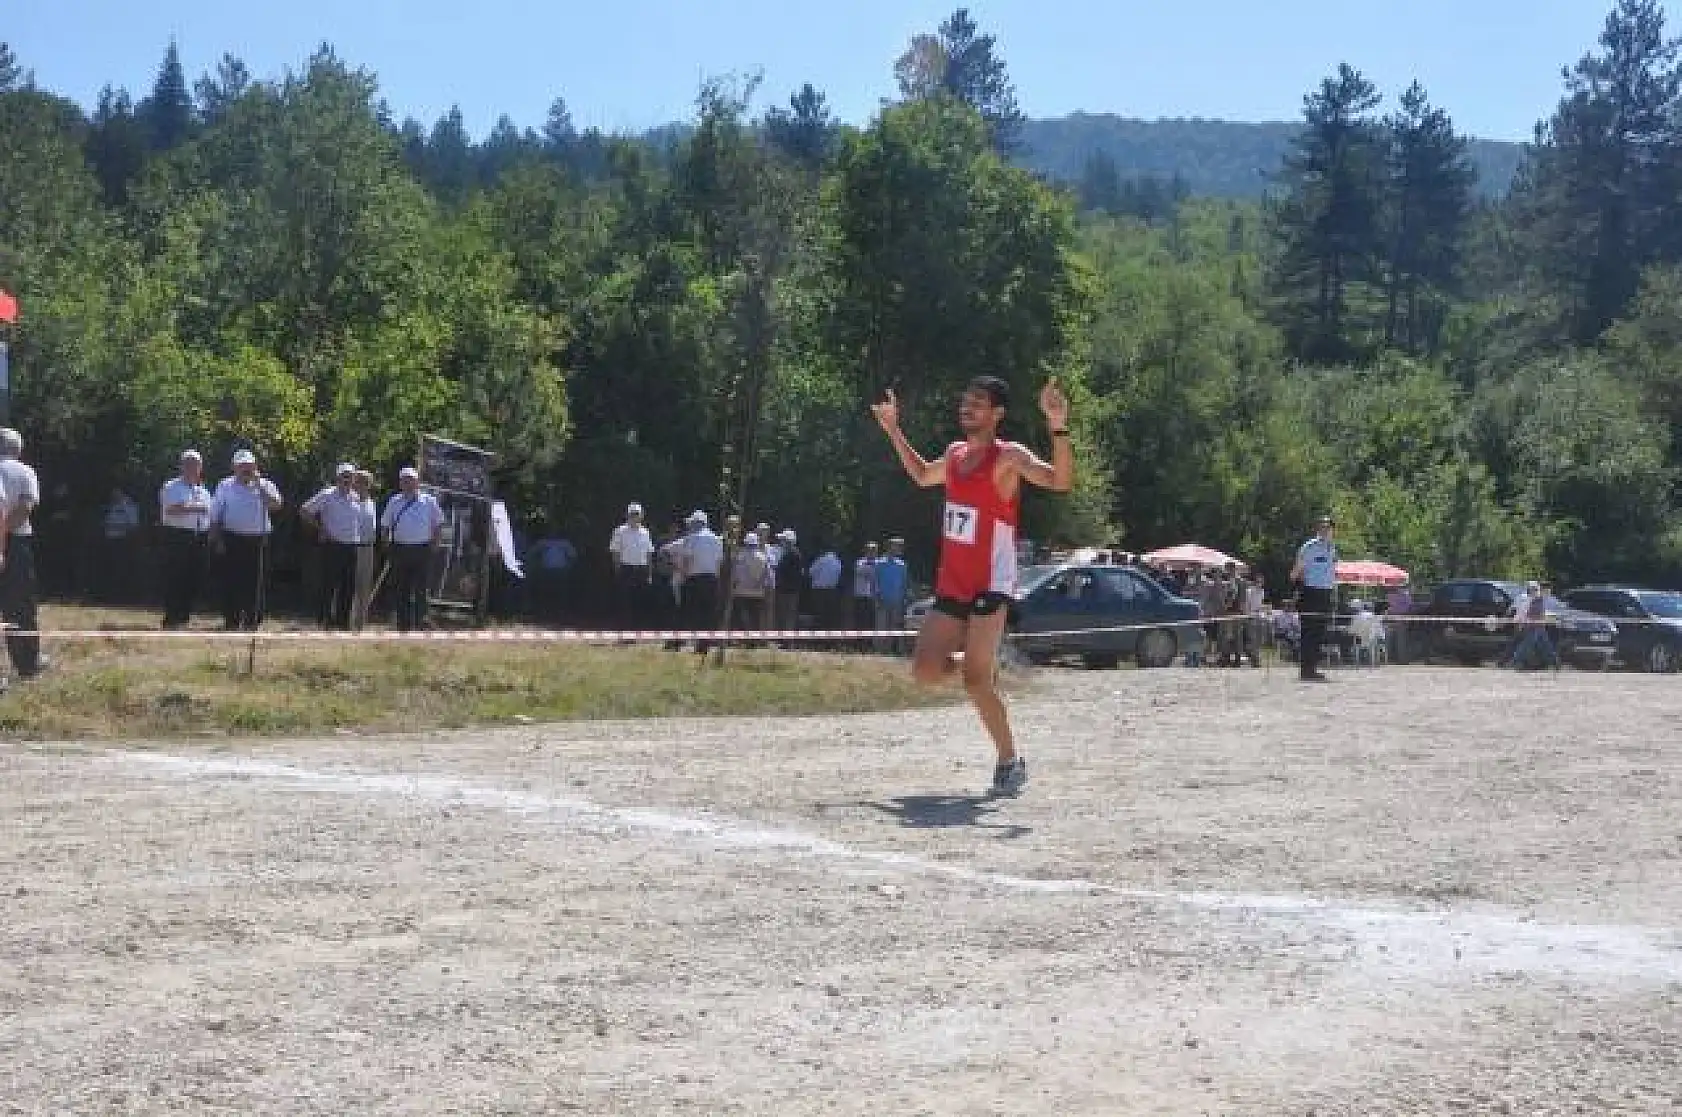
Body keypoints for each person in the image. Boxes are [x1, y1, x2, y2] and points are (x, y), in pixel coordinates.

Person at [871, 376, 1073, 795]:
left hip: (991, 584)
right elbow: (922, 475)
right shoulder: (954, 454)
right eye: (965, 401)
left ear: (997, 413)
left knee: (976, 683)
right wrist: (893, 430)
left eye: (978, 402)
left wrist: (1057, 426)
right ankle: (981, 665)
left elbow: (1060, 481)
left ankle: (1009, 760)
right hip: (954, 583)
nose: (967, 408)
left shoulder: (1008, 457)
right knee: (926, 671)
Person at [209, 449, 283, 632]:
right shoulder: (225, 485)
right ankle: (231, 620)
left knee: (256, 582)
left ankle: (252, 620)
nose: (246, 469)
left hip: (258, 539)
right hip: (232, 537)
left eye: (249, 466)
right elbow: (216, 513)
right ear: (234, 468)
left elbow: (276, 505)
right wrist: (217, 539)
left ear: (255, 467)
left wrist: (259, 486)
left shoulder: (265, 485)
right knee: (231, 581)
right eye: (242, 466)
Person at [301, 463, 371, 631]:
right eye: (344, 476)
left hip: (352, 547)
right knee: (328, 586)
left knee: (348, 587)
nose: (347, 480)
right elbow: (305, 510)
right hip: (332, 546)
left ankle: (342, 622)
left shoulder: (356, 497)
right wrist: (321, 528)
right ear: (338, 478)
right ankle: (323, 620)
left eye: (350, 476)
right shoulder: (328, 494)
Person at [380, 467, 444, 632]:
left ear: (417, 482)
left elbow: (438, 523)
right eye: (405, 480)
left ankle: (421, 622)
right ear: (400, 483)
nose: (408, 483)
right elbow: (385, 524)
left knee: (421, 588)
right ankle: (403, 625)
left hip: (422, 549)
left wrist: (436, 543)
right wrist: (385, 542)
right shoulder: (394, 501)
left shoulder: (429, 501)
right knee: (402, 588)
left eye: (411, 479)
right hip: (400, 549)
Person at [0, 427, 41, 680]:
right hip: (16, 543)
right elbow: (25, 507)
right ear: (18, 448)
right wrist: (4, 533)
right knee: (20, 607)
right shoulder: (24, 471)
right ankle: (27, 663)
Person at [158, 450, 213, 629]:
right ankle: (171, 617)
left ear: (200, 468)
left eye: (195, 464)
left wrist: (191, 507)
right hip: (177, 535)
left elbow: (209, 513)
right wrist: (196, 508)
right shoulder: (172, 486)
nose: (192, 468)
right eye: (188, 464)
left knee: (193, 577)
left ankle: (184, 617)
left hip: (199, 536)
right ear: (181, 466)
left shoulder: (203, 491)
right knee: (176, 577)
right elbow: (172, 509)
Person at [1289, 515, 1338, 681]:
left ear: (1333, 530)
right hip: (1311, 592)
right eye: (1322, 527)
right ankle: (1305, 670)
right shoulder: (1309, 547)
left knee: (1319, 632)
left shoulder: (1332, 549)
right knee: (1308, 632)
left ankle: (1313, 668)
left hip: (1325, 593)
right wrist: (1300, 589)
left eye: (1328, 527)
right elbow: (1296, 572)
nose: (1324, 530)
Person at [673, 510, 724, 653]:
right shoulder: (717, 539)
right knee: (707, 614)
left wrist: (683, 576)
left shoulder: (692, 538)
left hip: (694, 578)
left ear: (697, 523)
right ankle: (703, 645)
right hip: (711, 579)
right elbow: (719, 562)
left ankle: (678, 642)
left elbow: (688, 559)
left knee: (687, 612)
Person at [609, 503, 655, 629]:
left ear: (641, 516)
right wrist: (617, 568)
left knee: (640, 600)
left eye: (637, 514)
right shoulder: (620, 531)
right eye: (632, 514)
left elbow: (649, 553)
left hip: (641, 569)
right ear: (627, 515)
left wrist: (649, 573)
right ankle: (625, 629)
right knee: (625, 601)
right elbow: (615, 551)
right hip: (626, 568)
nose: (634, 517)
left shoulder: (645, 532)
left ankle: (639, 629)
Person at [728, 532, 773, 633]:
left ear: (746, 543)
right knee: (755, 618)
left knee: (740, 618)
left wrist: (733, 586)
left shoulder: (741, 557)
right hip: (758, 593)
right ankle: (754, 638)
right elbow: (769, 576)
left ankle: (741, 637)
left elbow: (736, 574)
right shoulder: (763, 558)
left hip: (741, 592)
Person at [350, 470, 378, 629]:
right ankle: (346, 621)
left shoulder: (371, 503)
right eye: (359, 481)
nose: (362, 485)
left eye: (366, 482)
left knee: (364, 587)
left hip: (368, 549)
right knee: (350, 586)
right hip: (353, 547)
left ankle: (360, 623)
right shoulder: (350, 501)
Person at [874, 537, 911, 653]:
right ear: (890, 547)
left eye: (900, 546)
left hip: (897, 600)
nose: (900, 548)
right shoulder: (879, 563)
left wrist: (904, 598)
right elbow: (875, 582)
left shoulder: (902, 565)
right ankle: (879, 649)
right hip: (882, 599)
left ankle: (889, 649)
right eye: (897, 546)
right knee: (881, 625)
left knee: (894, 625)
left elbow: (904, 584)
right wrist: (876, 597)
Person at [773, 529, 804, 632]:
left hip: (787, 590)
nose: (781, 542)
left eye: (783, 540)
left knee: (786, 615)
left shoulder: (791, 555)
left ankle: (786, 637)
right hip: (790, 589)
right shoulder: (793, 554)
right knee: (787, 615)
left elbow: (784, 571)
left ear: (788, 541)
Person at [807, 545, 844, 631]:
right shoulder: (837, 562)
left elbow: (811, 572)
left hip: (819, 589)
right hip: (832, 590)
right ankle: (829, 633)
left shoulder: (821, 560)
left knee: (818, 612)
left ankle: (818, 632)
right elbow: (839, 575)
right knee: (830, 613)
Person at [852, 542, 879, 630]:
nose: (871, 552)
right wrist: (870, 566)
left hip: (873, 596)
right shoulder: (860, 562)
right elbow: (861, 571)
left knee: (872, 620)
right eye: (869, 550)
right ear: (865, 551)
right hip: (861, 595)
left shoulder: (879, 563)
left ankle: (870, 638)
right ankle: (859, 638)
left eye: (874, 550)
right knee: (860, 619)